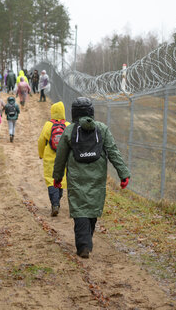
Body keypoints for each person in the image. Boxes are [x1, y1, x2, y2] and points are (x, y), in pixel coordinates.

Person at [52, 97, 130, 259]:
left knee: (80, 209)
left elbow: (60, 157)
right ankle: (87, 241)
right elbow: (113, 152)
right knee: (92, 208)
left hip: (76, 178)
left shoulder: (69, 130)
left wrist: (57, 177)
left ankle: (83, 245)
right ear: (91, 111)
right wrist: (123, 174)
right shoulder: (102, 129)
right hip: (97, 178)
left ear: (74, 113)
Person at [38, 101, 70, 216]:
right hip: (64, 159)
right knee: (60, 180)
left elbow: (41, 141)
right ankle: (58, 200)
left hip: (50, 158)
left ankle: (54, 204)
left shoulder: (48, 125)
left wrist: (41, 154)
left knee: (51, 181)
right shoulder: (67, 125)